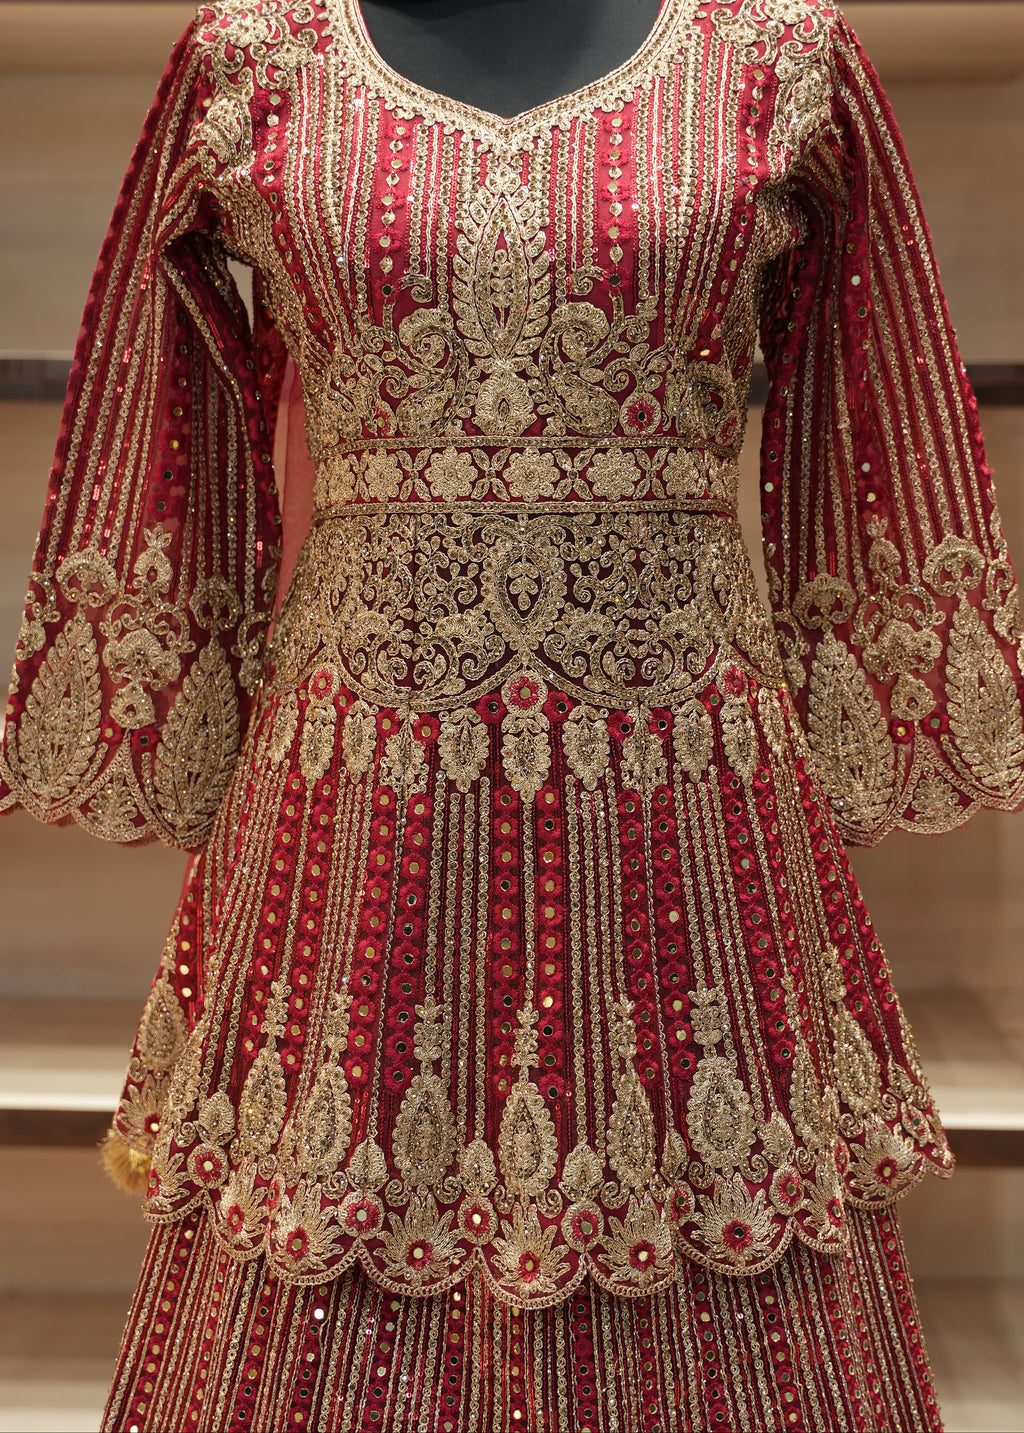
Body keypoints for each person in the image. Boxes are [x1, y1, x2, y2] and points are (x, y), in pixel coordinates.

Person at [3, 0, 1022, 1428]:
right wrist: (177, 666)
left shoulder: (781, 60)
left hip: (682, 778)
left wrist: (885, 659)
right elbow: (156, 370)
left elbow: (873, 383)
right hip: (355, 785)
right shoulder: (252, 65)